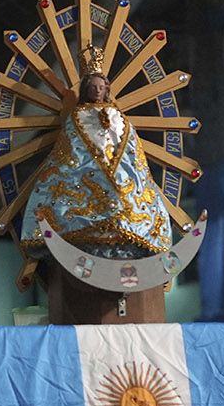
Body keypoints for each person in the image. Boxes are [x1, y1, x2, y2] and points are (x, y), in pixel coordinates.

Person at [19, 46, 172, 259]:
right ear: (86, 89)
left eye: (101, 87)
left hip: (118, 168)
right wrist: (95, 162)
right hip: (86, 167)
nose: (98, 91)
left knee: (127, 197)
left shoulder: (117, 115)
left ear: (107, 90)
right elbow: (72, 144)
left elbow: (128, 143)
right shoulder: (78, 115)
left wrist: (118, 165)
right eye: (93, 87)